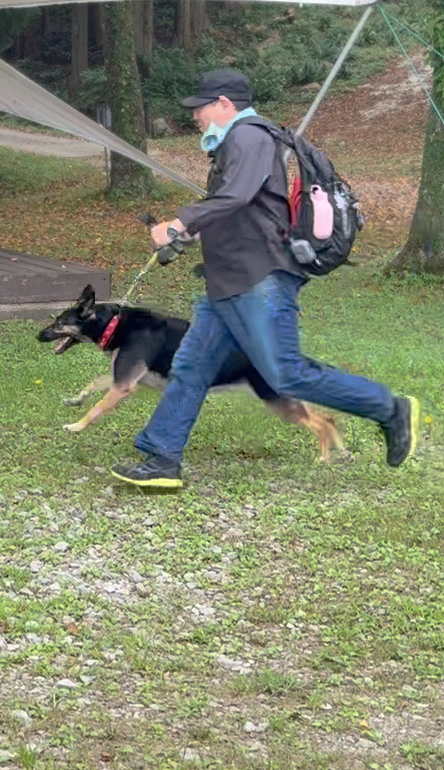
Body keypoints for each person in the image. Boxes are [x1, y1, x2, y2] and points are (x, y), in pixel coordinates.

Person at [111, 69, 419, 490]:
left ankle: (390, 409)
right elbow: (241, 209)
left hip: (257, 281)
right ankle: (162, 456)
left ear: (224, 103)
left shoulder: (249, 136)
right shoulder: (238, 142)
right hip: (229, 283)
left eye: (200, 108)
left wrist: (180, 222)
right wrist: (193, 234)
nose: (195, 117)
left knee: (286, 374)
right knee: (191, 366)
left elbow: (235, 196)